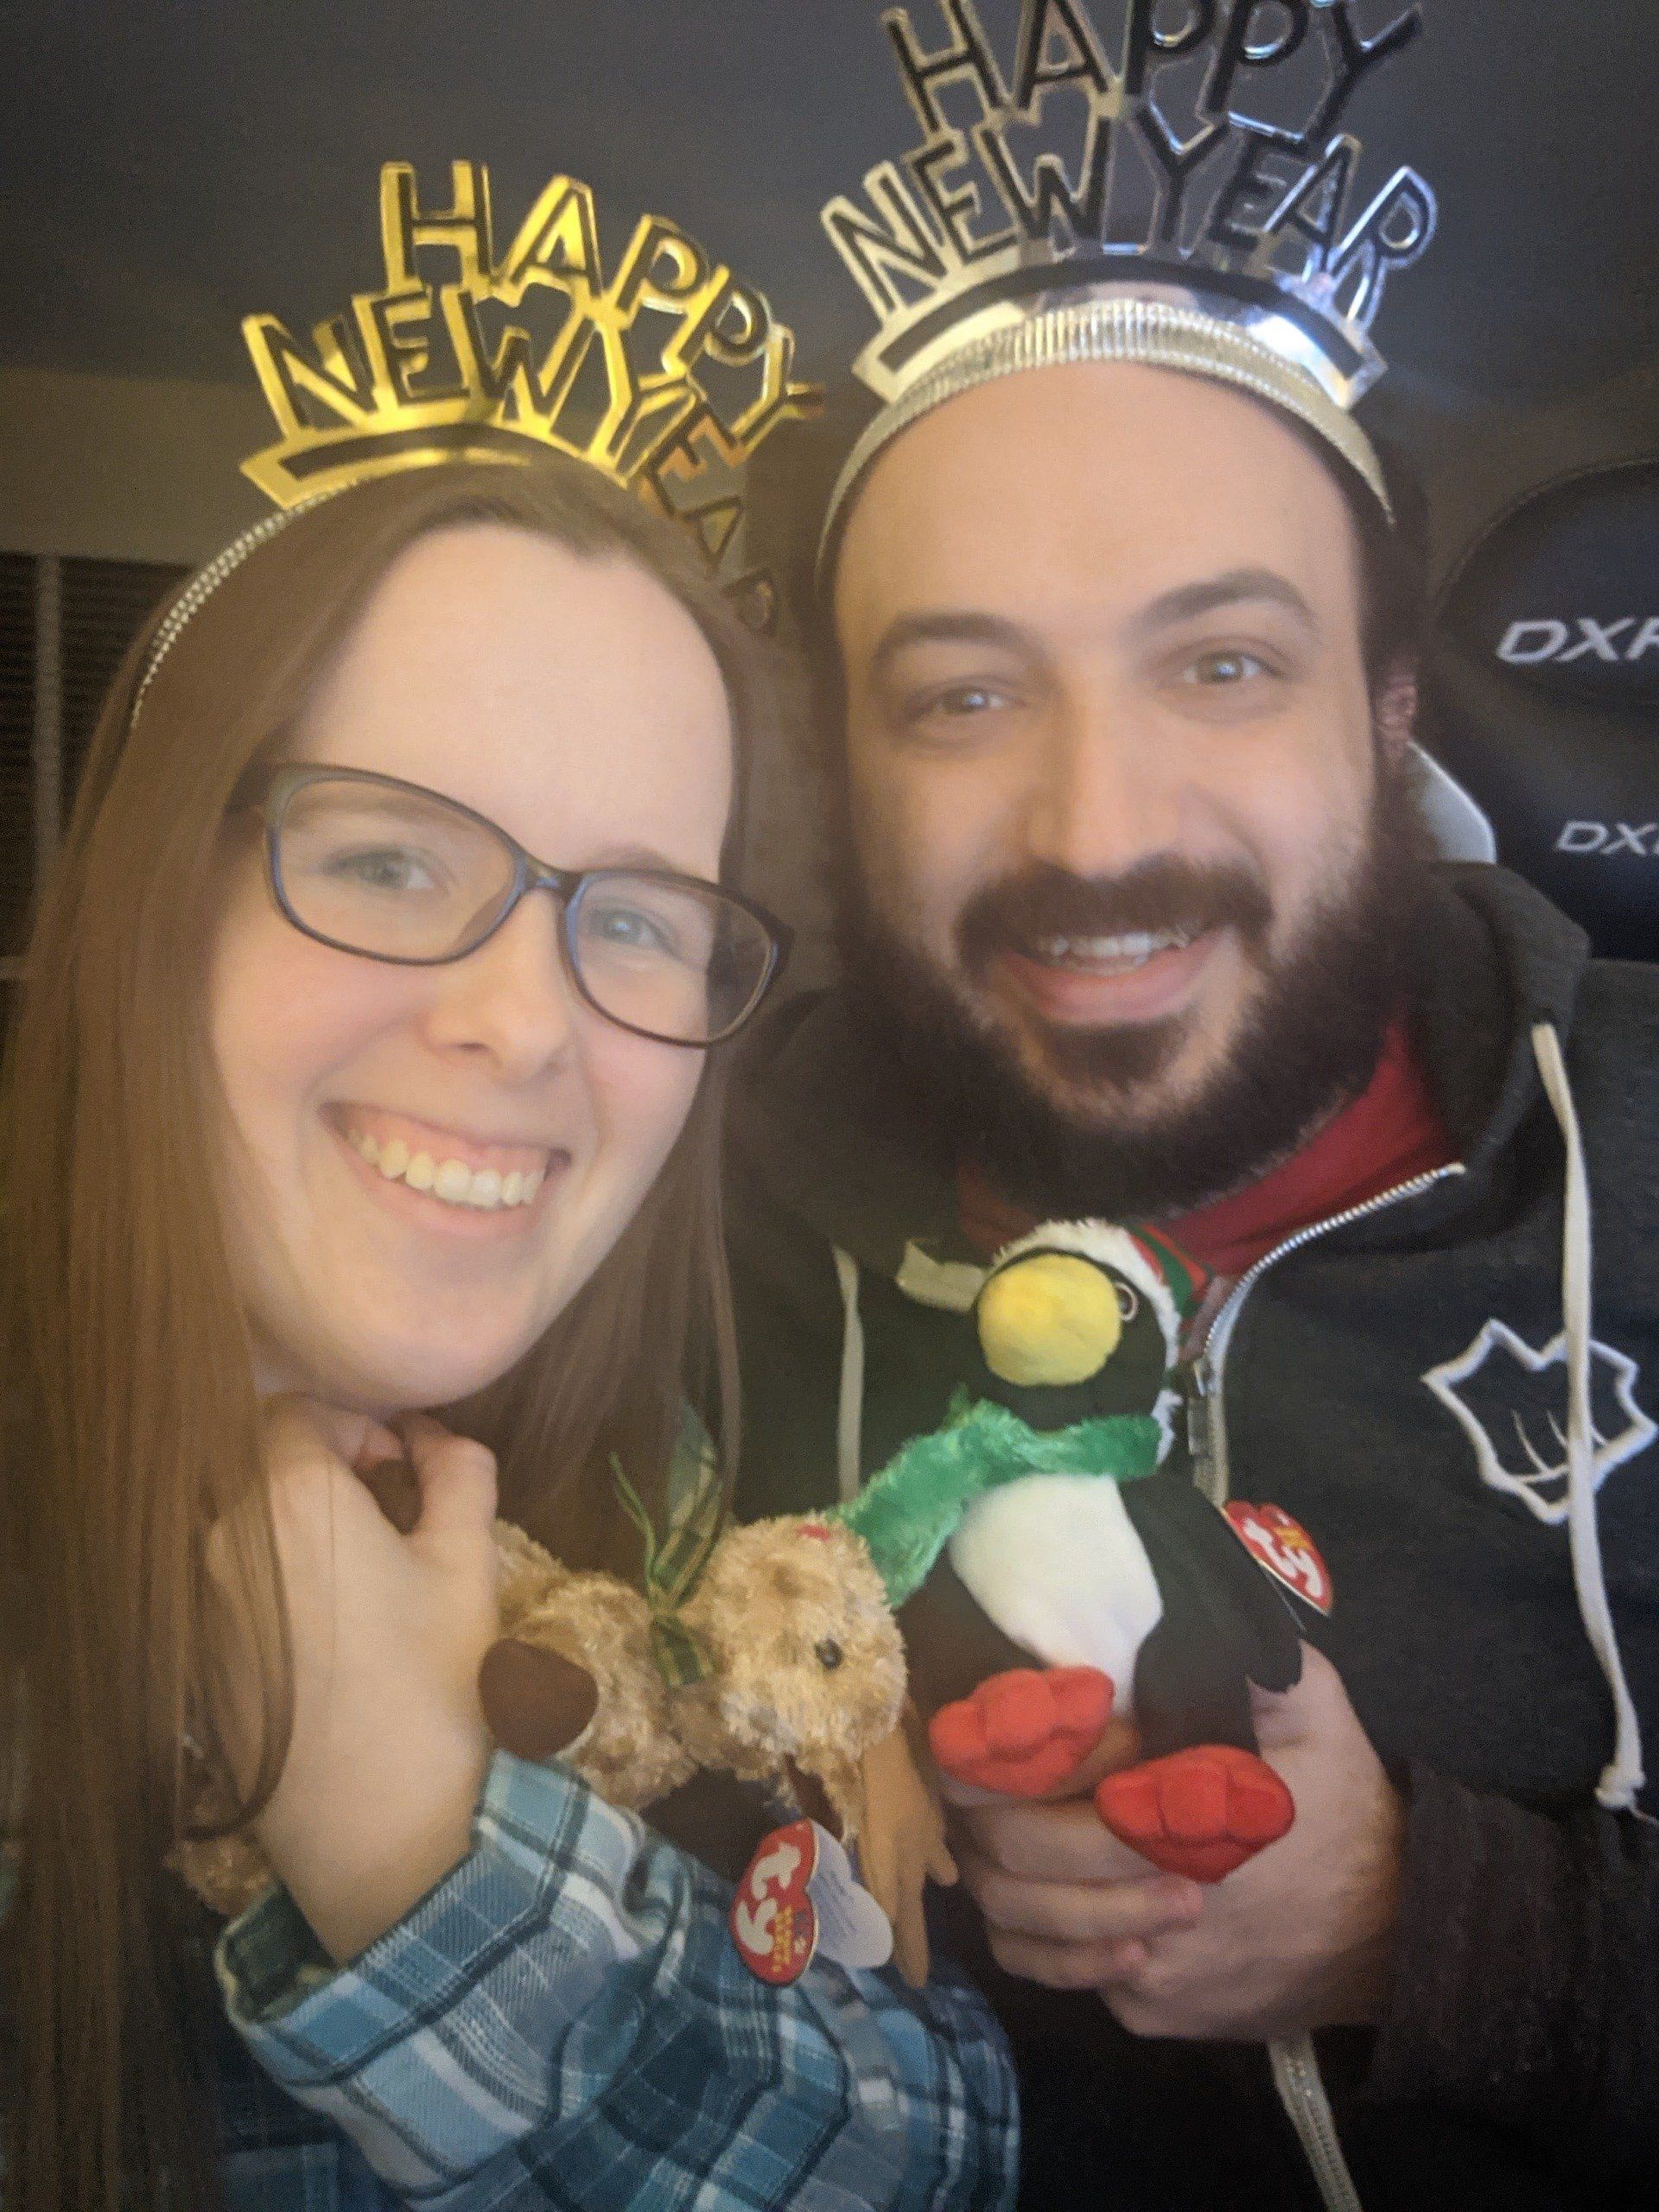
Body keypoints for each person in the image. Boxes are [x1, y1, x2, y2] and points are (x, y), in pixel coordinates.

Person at [727, 237, 1659, 2212]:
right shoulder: (681, 1234)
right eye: (963, 692)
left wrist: (1452, 1928)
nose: (1093, 827)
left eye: (1223, 662)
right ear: (842, 770)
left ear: (1389, 708)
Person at [0, 456, 1019, 2212]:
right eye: (390, 856)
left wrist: (420, 1856)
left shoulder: (697, 1522)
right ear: (158, 894)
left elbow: (938, 2140)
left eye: (634, 917)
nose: (525, 1022)